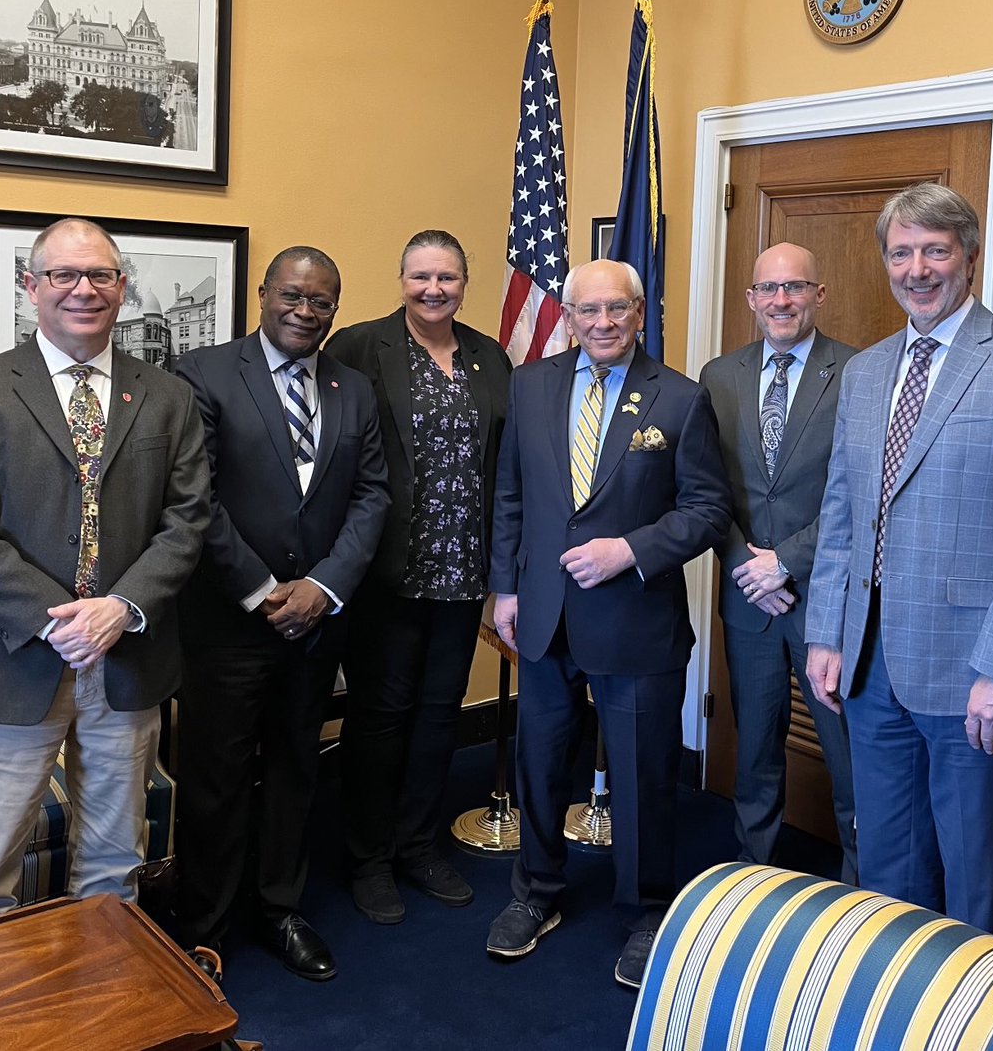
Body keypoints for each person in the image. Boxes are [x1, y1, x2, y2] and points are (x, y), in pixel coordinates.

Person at [805, 183, 993, 938]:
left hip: (975, 679)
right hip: (869, 670)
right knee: (889, 871)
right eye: (902, 252)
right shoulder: (865, 374)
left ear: (968, 255)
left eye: (935, 249)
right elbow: (841, 517)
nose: (917, 268)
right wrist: (826, 634)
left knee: (971, 878)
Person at [0, 217, 210, 928]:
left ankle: (104, 1017)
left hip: (128, 659)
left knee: (115, 869)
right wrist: (60, 620)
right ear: (31, 286)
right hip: (9, 659)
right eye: (64, 275)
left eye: (102, 275)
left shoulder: (167, 397)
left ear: (121, 287)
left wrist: (122, 608)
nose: (84, 289)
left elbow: (189, 518)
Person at [486, 259, 731, 989]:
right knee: (540, 761)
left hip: (635, 622)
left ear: (638, 310)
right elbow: (510, 493)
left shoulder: (682, 399)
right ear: (569, 312)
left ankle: (649, 908)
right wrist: (503, 586)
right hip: (543, 615)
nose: (601, 322)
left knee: (643, 775)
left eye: (615, 309)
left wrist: (630, 548)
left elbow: (707, 510)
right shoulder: (530, 384)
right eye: (587, 310)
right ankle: (536, 893)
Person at [173, 245, 389, 981]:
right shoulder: (203, 372)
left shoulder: (352, 387)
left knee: (297, 765)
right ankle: (203, 923)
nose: (306, 310)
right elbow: (193, 499)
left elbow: (372, 496)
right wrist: (263, 589)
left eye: (322, 300)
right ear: (263, 294)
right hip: (228, 623)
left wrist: (323, 587)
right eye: (293, 295)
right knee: (216, 775)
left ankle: (280, 907)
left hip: (316, 620)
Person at [325, 230, 511, 924]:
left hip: (464, 572)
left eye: (448, 278)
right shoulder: (356, 348)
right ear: (401, 278)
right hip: (385, 575)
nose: (435, 289)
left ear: (465, 282)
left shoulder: (489, 357)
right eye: (421, 276)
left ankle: (419, 845)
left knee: (439, 715)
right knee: (380, 716)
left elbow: (504, 463)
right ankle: (369, 857)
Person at [699, 242, 857, 884]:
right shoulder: (719, 376)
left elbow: (861, 493)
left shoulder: (858, 373)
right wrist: (747, 566)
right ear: (751, 300)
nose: (781, 300)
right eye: (769, 289)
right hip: (748, 599)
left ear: (819, 295)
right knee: (755, 745)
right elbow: (706, 488)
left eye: (795, 288)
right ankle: (754, 877)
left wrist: (784, 563)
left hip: (827, 601)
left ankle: (863, 886)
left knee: (847, 752)